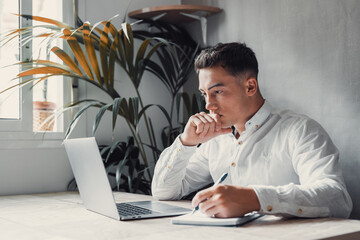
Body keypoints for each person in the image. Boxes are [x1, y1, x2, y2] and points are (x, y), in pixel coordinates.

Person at [151, 42, 353, 218]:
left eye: (218, 92)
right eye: (205, 94)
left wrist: (255, 198)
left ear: (250, 86)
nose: (208, 105)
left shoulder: (301, 130)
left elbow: (337, 198)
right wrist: (186, 143)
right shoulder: (215, 139)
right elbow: (163, 192)